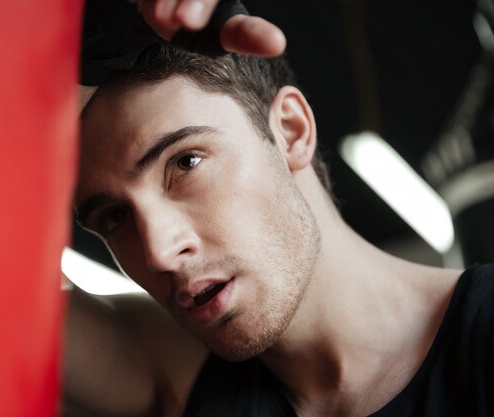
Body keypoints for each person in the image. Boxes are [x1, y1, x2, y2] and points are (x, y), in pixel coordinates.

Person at [63, 18, 494, 417]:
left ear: (290, 131)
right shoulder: (169, 367)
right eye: (115, 216)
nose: (159, 251)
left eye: (185, 163)